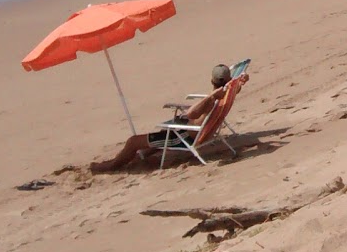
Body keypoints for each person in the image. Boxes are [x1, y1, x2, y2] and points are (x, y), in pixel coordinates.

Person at [91, 65, 249, 172]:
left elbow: (191, 114)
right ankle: (144, 154)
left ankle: (111, 166)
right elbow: (235, 88)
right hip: (193, 132)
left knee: (133, 141)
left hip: (184, 138)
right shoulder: (229, 92)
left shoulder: (211, 100)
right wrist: (240, 82)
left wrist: (211, 95)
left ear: (211, 81)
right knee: (160, 134)